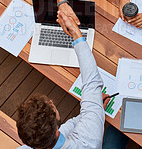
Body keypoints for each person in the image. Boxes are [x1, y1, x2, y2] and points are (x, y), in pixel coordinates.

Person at [16, 11, 106, 149]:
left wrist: (93, 112)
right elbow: (91, 82)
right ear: (56, 130)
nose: (51, 102)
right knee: (118, 133)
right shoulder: (88, 141)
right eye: (51, 106)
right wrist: (76, 33)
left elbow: (64, 132)